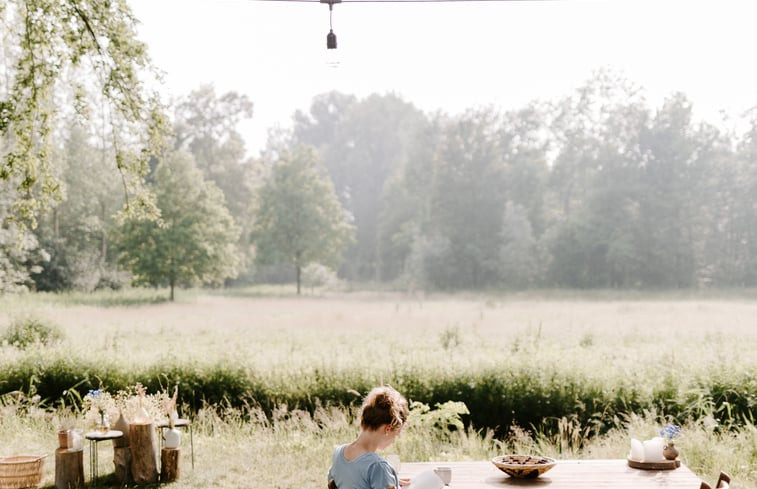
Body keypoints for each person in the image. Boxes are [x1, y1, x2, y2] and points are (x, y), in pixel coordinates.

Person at [328, 386, 410, 489]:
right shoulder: (377, 466)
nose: (394, 441)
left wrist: (387, 480)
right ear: (388, 429)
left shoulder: (338, 453)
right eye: (396, 435)